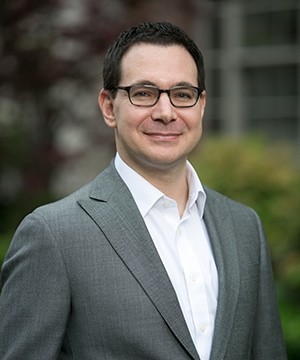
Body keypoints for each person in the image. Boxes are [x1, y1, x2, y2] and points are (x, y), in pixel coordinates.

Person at [0, 22, 287, 360]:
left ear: (202, 105)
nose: (166, 113)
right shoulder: (53, 236)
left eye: (182, 94)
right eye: (144, 93)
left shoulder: (244, 227)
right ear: (109, 107)